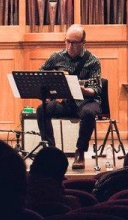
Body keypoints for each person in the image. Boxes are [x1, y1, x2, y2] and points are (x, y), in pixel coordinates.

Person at [36, 24, 101, 170]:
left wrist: (83, 90)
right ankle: (50, 151)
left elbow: (96, 89)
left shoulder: (93, 61)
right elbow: (41, 74)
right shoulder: (56, 57)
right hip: (66, 102)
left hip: (86, 102)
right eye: (67, 41)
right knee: (42, 109)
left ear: (83, 43)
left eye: (74, 43)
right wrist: (48, 93)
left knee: (89, 113)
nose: (70, 46)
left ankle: (80, 152)